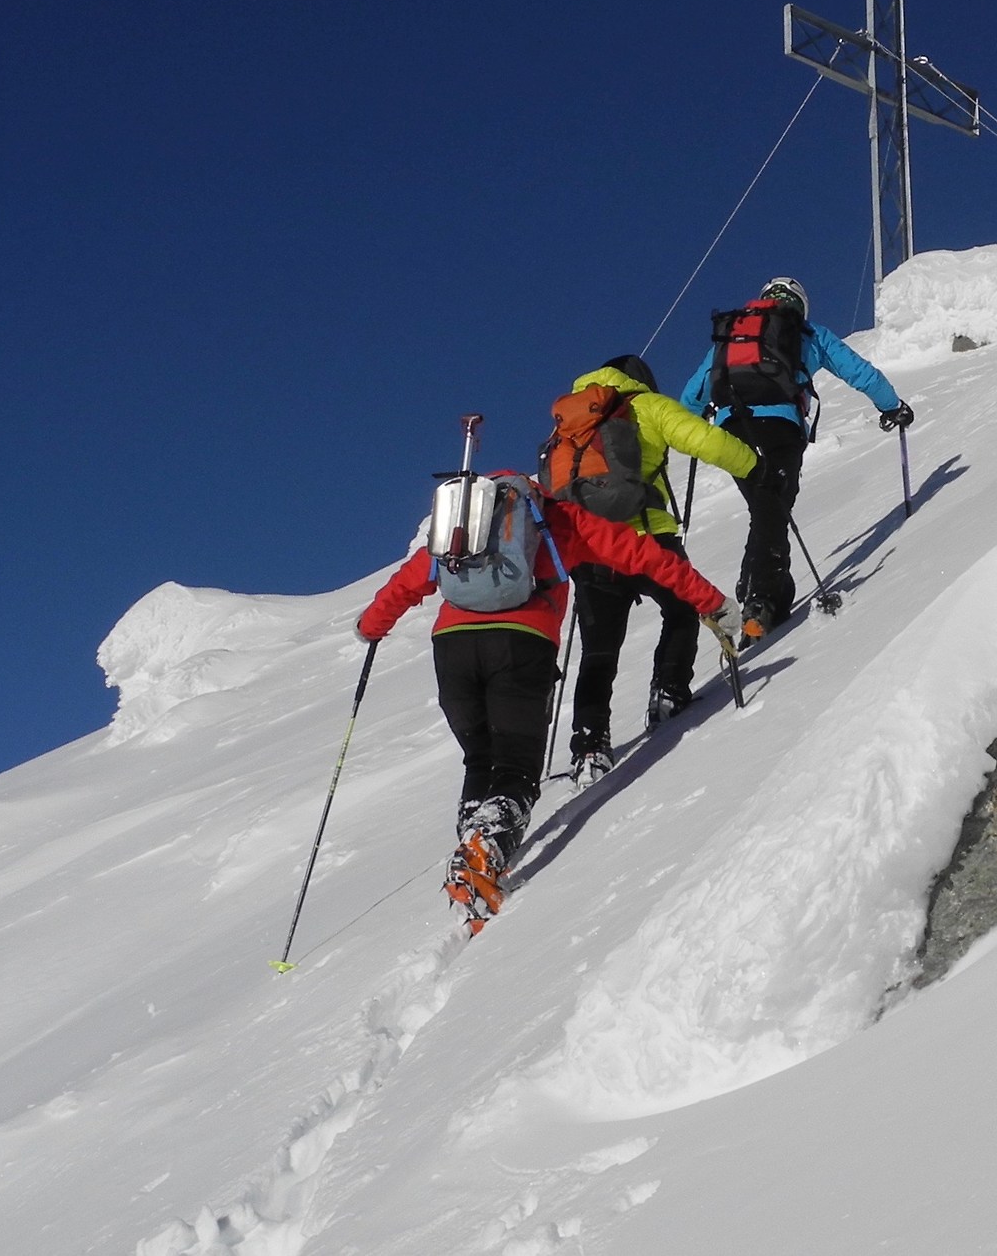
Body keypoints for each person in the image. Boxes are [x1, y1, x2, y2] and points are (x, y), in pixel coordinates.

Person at [356, 478, 740, 923]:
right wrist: (710, 603)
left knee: (481, 758)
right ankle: (483, 854)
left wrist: (370, 627)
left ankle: (476, 851)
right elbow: (647, 557)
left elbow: (407, 582)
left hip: (453, 647)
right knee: (517, 768)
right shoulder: (557, 519)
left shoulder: (462, 524)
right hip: (522, 644)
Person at [679, 276, 913, 637]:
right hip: (779, 425)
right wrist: (891, 406)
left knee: (764, 504)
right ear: (799, 305)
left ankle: (752, 588)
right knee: (773, 502)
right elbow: (856, 371)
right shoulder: (807, 332)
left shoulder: (735, 332)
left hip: (732, 429)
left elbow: (692, 396)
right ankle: (763, 599)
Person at [563, 354, 758, 780]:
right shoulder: (647, 406)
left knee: (598, 651)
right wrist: (753, 465)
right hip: (649, 536)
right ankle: (668, 692)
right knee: (683, 609)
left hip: (591, 548)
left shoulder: (573, 419)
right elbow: (704, 440)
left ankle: (589, 746)